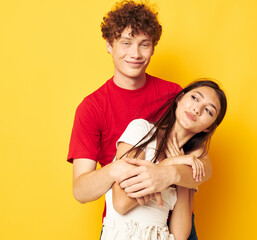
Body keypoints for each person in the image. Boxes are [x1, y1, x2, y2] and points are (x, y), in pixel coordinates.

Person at [67, 1, 211, 239]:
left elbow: (204, 166)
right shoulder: (91, 108)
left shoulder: (173, 95)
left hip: (175, 219)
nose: (135, 54)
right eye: (126, 43)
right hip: (126, 225)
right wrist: (116, 170)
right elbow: (81, 190)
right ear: (109, 45)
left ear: (153, 48)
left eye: (144, 44)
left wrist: (170, 174)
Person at [101, 80, 227, 239]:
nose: (197, 109)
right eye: (195, 98)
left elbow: (180, 235)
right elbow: (121, 203)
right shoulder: (141, 130)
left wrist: (181, 174)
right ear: (180, 99)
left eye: (209, 111)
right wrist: (169, 165)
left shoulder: (189, 164)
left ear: (208, 127)